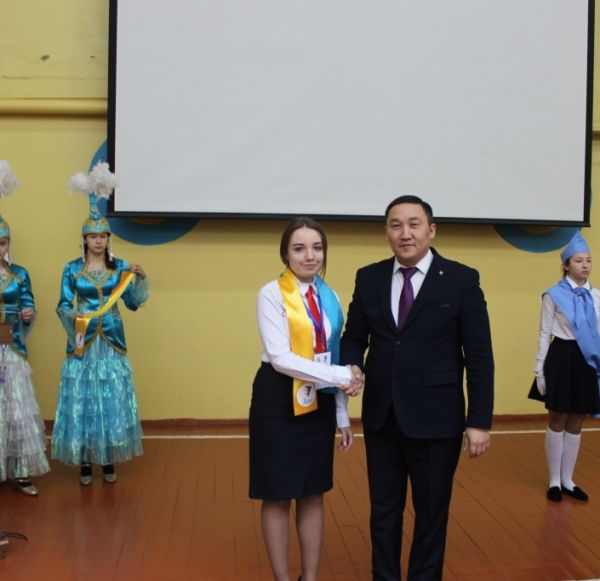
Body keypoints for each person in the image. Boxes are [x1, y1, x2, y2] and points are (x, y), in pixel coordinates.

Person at [340, 195, 494, 581]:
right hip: (382, 417)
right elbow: (354, 336)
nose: (405, 233)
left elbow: (479, 356)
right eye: (396, 225)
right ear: (387, 232)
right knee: (383, 512)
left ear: (431, 230)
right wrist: (353, 364)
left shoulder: (461, 280)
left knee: (431, 515)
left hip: (437, 421)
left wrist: (479, 420)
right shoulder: (369, 277)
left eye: (414, 224)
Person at [249, 217, 363, 581]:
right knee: (278, 493)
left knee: (314, 492)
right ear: (285, 254)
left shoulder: (330, 298)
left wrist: (342, 414)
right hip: (278, 400)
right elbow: (281, 358)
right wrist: (344, 377)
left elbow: (332, 353)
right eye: (299, 248)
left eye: (317, 248)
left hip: (320, 402)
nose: (309, 256)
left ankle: (309, 577)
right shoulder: (271, 293)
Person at [51, 162, 148, 485]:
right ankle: (84, 460)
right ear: (84, 239)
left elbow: (132, 303)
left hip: (112, 340)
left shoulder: (120, 267)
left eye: (103, 236)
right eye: (93, 236)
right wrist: (75, 320)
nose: (98, 241)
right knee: (84, 398)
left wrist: (138, 280)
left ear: (108, 239)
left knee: (110, 397)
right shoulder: (71, 270)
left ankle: (107, 458)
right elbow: (62, 305)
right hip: (84, 341)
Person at [531, 231, 600, 503]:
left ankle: (568, 479)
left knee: (577, 420)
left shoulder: (596, 296)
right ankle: (554, 481)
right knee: (557, 418)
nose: (585, 265)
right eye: (579, 261)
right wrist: (539, 370)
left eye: (588, 260)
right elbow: (544, 332)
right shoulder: (554, 295)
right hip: (561, 357)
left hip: (586, 360)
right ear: (566, 265)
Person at [0, 160, 49, 496]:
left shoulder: (20, 274)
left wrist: (28, 314)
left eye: (2, 243)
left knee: (16, 410)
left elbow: (29, 303)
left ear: (8, 244)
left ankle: (19, 471)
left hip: (12, 348)